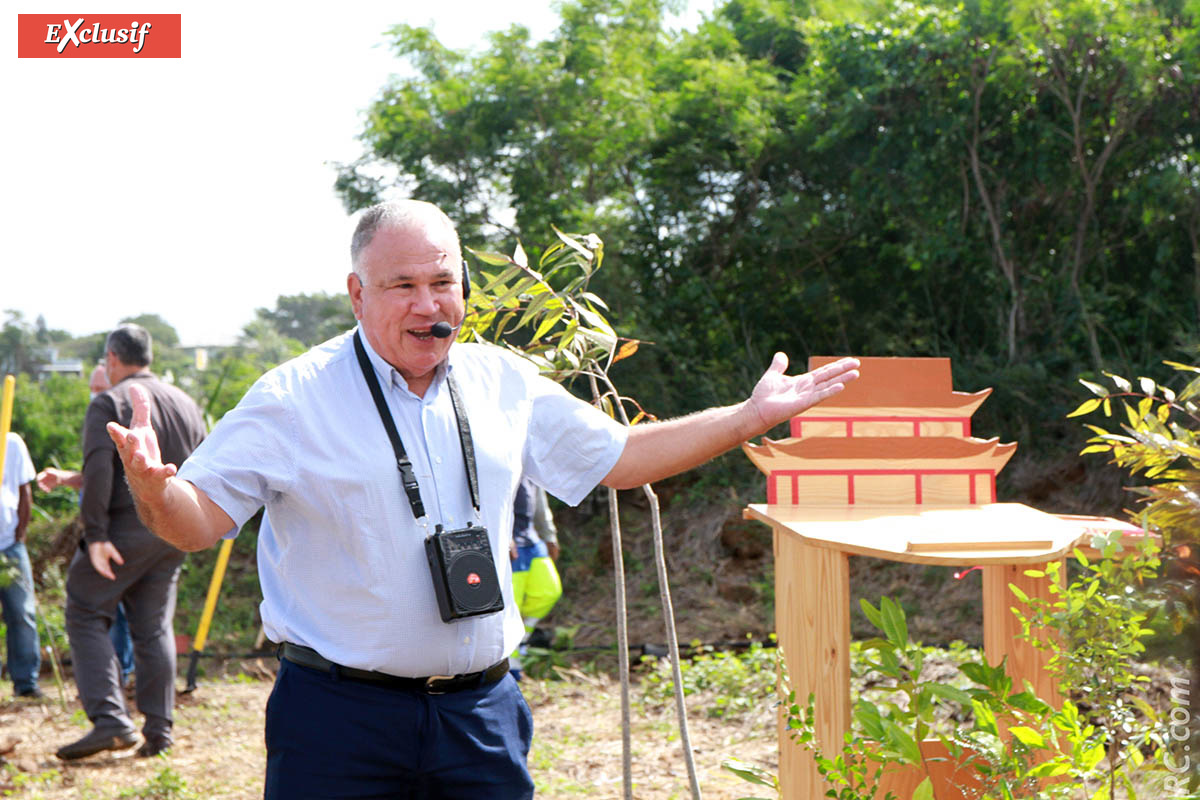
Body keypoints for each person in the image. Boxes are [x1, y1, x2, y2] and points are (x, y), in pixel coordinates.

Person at [105, 199, 859, 798]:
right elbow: (198, 523)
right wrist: (153, 488)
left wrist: (749, 418)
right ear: (357, 294)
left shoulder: (501, 380)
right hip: (339, 720)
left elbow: (620, 456)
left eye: (443, 282)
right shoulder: (294, 397)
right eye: (403, 286)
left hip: (481, 716)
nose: (428, 303)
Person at [55, 324, 206, 761]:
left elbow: (101, 470)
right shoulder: (186, 403)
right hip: (173, 528)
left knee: (85, 605)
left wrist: (96, 534)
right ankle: (159, 731)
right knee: (154, 625)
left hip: (124, 527)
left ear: (113, 359)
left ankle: (110, 721)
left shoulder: (110, 400)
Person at [37, 361, 136, 689]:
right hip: (103, 530)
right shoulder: (100, 422)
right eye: (92, 388)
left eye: (101, 387)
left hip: (115, 531)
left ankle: (118, 680)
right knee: (111, 609)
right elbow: (96, 478)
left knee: (116, 608)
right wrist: (65, 478)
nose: (95, 394)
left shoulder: (123, 424)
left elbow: (114, 481)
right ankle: (116, 680)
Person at [508, 476, 562, 680]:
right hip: (509, 544)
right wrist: (503, 535)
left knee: (548, 591)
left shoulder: (528, 449)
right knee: (511, 604)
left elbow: (538, 497)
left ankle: (520, 642)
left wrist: (549, 535)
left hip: (531, 539)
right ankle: (509, 667)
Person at [1, 430, 41, 700]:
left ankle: (26, 683)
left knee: (22, 613)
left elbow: (25, 492)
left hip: (10, 546)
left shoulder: (11, 442)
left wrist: (20, 536)